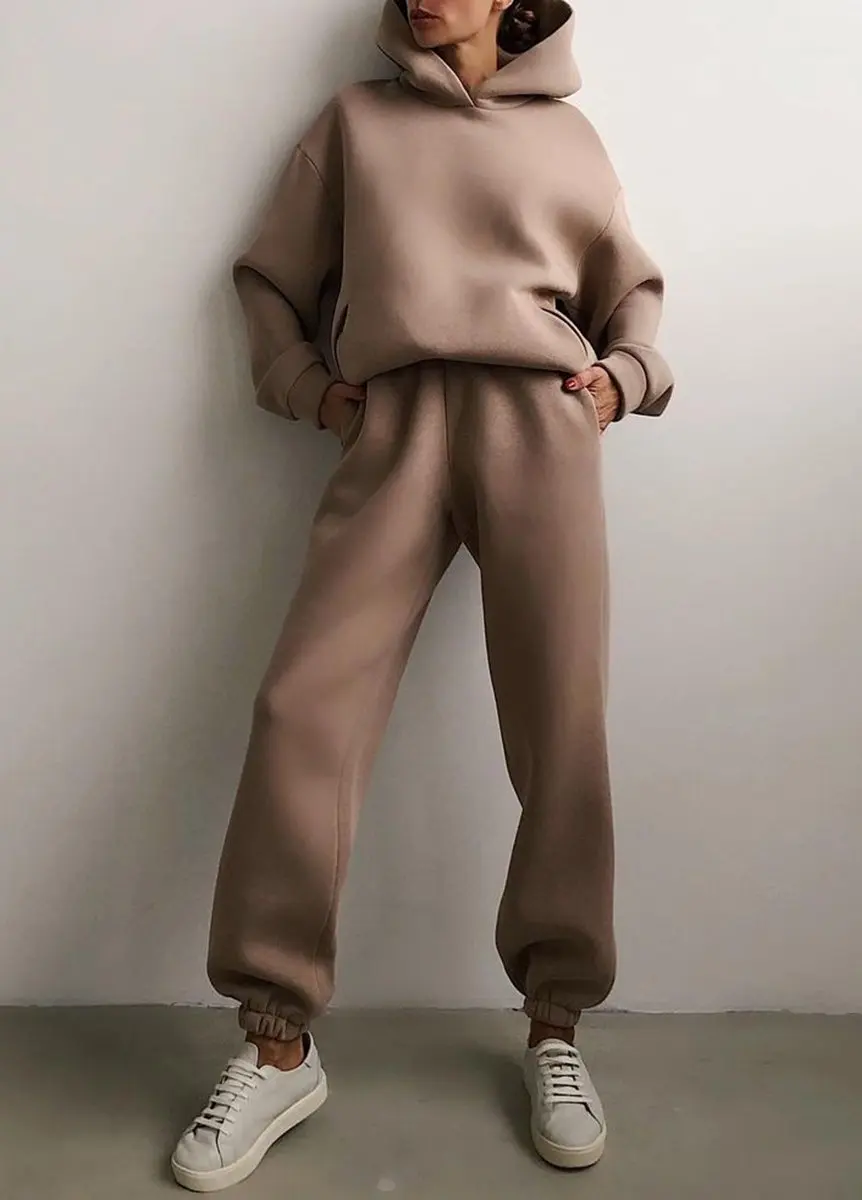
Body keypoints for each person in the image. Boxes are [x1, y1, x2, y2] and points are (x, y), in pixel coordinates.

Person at [171, 0, 673, 1190]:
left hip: (539, 426)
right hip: (391, 422)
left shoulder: (569, 137)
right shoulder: (355, 123)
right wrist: (308, 387)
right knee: (305, 709)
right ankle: (278, 1041)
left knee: (560, 725)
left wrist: (624, 377)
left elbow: (635, 290)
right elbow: (267, 279)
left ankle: (555, 1027)